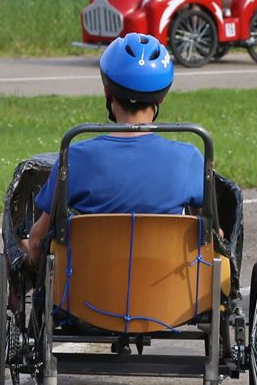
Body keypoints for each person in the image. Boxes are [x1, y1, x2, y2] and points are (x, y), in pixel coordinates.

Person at [18, 33, 204, 261]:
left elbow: (37, 241)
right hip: (170, 282)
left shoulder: (75, 158)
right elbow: (212, 236)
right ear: (161, 98)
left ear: (108, 92)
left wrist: (29, 251)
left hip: (88, 283)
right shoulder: (189, 158)